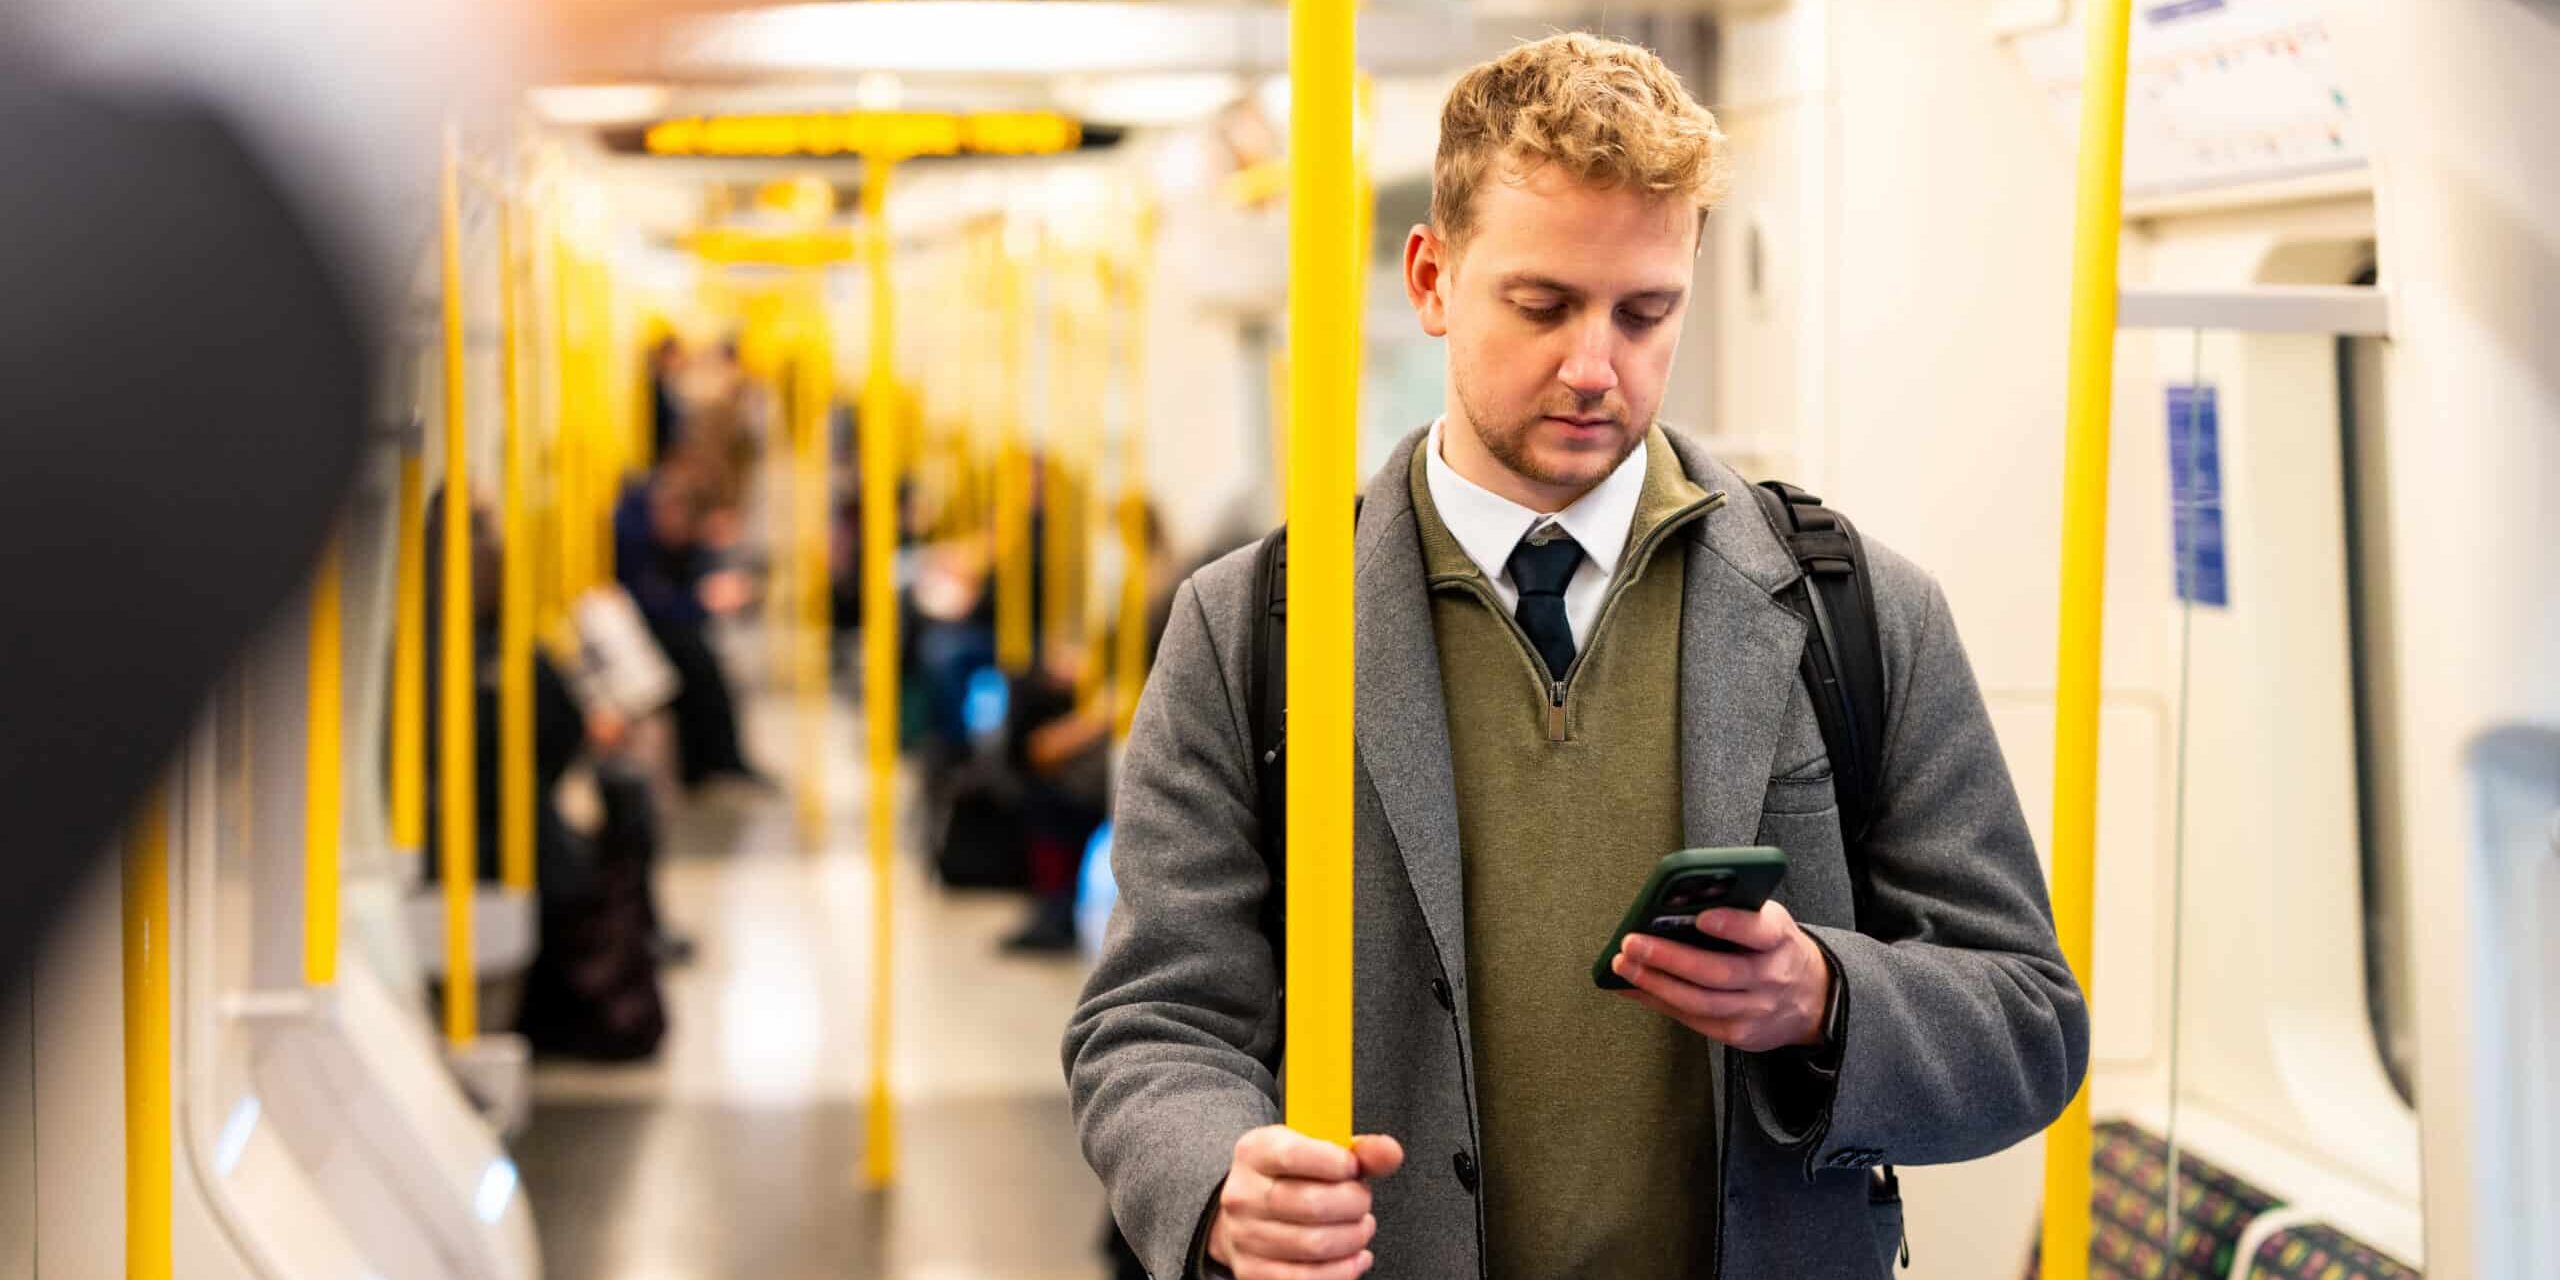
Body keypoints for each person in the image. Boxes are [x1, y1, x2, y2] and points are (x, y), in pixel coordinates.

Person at [1064, 33, 2088, 1279]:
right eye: (1542, 305)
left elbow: (2029, 1020)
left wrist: (1826, 999)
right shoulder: (1252, 629)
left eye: (1644, 312)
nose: (1595, 366)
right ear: (1433, 281)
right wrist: (1222, 1176)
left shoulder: (1854, 612)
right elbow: (1151, 1020)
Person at [613, 450, 765, 790]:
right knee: (696, 661)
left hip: (660, 622)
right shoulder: (631, 534)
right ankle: (714, 763)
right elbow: (651, 602)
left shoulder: (660, 522)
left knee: (701, 659)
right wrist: (701, 601)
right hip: (642, 627)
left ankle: (715, 762)